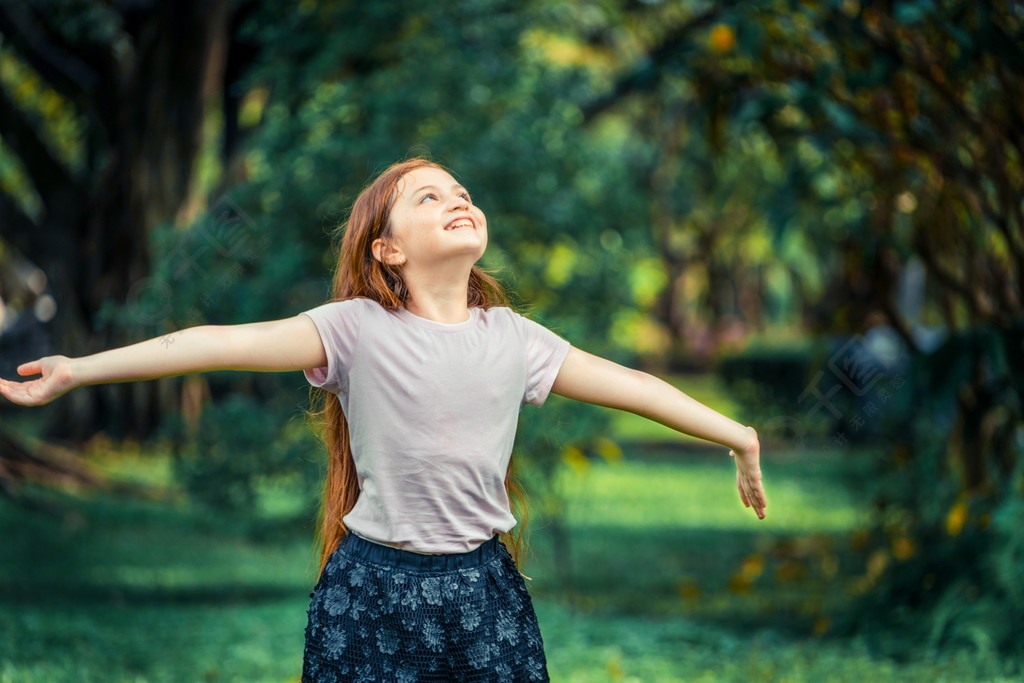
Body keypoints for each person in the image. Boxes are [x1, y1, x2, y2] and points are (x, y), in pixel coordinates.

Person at [0, 158, 767, 682]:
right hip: (370, 591)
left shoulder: (517, 339)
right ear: (388, 249)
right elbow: (214, 343)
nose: (456, 199)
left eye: (461, 191)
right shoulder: (354, 329)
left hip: (484, 591)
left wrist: (737, 435)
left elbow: (633, 383)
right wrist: (79, 368)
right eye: (428, 197)